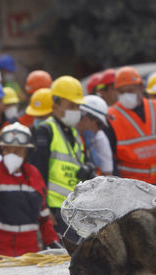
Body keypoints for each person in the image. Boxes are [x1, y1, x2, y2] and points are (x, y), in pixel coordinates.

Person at [0, 122, 59, 257]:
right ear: (1, 150)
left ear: (27, 152)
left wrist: (52, 242)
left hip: (30, 252)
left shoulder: (34, 175)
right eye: (7, 150)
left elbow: (44, 216)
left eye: (18, 151)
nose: (12, 154)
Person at [31, 76, 87, 242]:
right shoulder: (45, 131)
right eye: (71, 105)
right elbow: (37, 172)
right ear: (55, 103)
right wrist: (43, 209)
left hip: (75, 208)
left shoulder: (75, 134)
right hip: (55, 209)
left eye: (78, 106)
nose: (75, 110)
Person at [105, 66, 156, 188]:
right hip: (130, 185)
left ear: (140, 87)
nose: (126, 95)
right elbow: (110, 158)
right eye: (121, 92)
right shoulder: (111, 117)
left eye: (129, 90)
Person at [78, 95, 114, 175]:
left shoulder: (98, 137)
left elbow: (107, 173)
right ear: (86, 118)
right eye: (99, 124)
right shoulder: (68, 135)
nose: (99, 129)